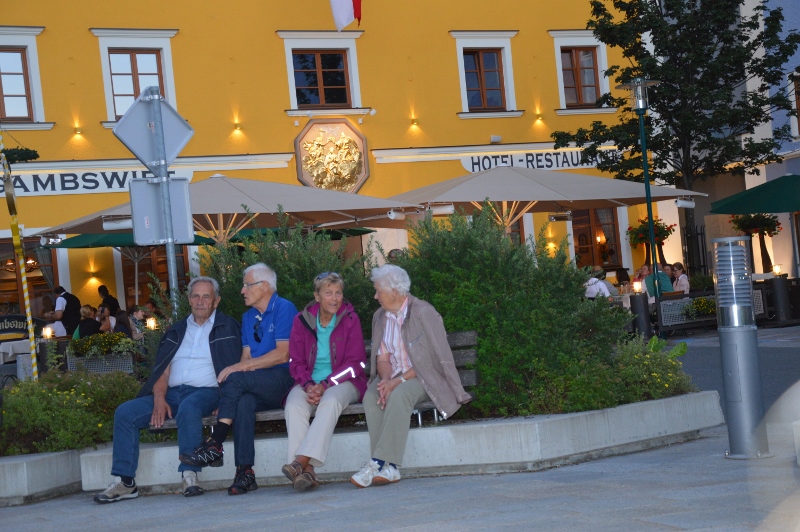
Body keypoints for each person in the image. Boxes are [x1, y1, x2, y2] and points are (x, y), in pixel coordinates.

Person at [93, 276, 241, 504]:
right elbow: (162, 370)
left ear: (216, 301)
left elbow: (237, 367)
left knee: (189, 407)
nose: (200, 301)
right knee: (125, 413)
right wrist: (159, 398)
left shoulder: (228, 327)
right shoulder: (176, 330)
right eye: (195, 296)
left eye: (206, 296)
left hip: (208, 392)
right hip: (171, 392)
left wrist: (228, 401)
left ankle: (189, 474)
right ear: (189, 299)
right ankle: (125, 482)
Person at [180, 263, 297, 495]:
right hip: (256, 383)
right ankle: (245, 472)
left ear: (264, 286)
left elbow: (283, 354)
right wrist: (229, 401)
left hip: (283, 380)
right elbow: (246, 357)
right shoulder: (248, 316)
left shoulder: (284, 308)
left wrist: (239, 369)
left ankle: (216, 442)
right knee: (243, 402)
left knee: (234, 377)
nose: (242, 290)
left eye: (247, 285)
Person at [350, 264, 471, 488]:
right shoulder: (380, 317)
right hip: (394, 374)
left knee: (399, 395)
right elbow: (382, 358)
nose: (375, 296)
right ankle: (389, 469)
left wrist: (397, 382)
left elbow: (432, 359)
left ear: (395, 291)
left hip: (423, 376)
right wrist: (386, 380)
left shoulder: (424, 312)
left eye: (378, 291)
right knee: (372, 396)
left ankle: (378, 462)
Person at [282, 272, 367, 492]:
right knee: (293, 405)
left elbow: (355, 363)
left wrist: (326, 385)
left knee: (330, 402)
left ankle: (299, 461)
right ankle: (308, 472)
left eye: (338, 293)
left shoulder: (350, 319)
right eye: (328, 293)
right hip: (309, 383)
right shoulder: (301, 320)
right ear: (317, 296)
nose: (334, 298)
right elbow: (295, 361)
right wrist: (309, 385)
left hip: (345, 382)